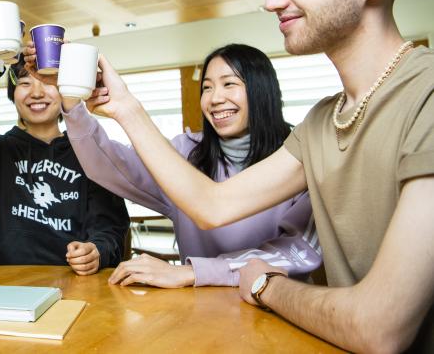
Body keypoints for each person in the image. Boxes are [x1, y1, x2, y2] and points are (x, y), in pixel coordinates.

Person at [76, 0, 433, 352]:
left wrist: (265, 285)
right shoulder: (322, 122)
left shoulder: (424, 95)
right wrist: (124, 107)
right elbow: (213, 205)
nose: (271, 0)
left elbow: (379, 328)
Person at [46, 44, 320, 288]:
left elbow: (298, 250)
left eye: (229, 84)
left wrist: (193, 272)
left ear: (262, 91)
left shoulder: (295, 157)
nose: (214, 98)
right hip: (199, 313)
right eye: (207, 87)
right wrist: (71, 99)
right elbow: (108, 165)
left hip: (277, 308)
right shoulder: (186, 153)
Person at [0, 53, 129, 275]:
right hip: (2, 284)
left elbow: (109, 225)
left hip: (72, 284)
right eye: (25, 83)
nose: (36, 93)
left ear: (65, 91)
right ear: (13, 93)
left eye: (48, 82)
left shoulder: (90, 153)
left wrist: (96, 250)